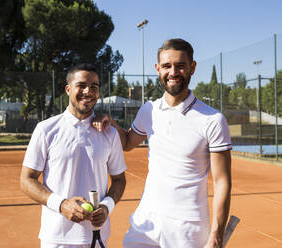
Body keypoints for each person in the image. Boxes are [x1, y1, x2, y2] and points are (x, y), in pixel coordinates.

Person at [93, 38, 232, 248]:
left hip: (188, 228)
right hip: (145, 221)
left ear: (192, 68)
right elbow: (129, 142)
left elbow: (222, 182)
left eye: (180, 66)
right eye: (167, 66)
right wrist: (111, 123)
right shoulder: (149, 110)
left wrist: (217, 233)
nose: (173, 72)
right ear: (158, 69)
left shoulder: (213, 119)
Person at [20, 63, 127, 248]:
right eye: (82, 85)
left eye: (94, 87)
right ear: (68, 89)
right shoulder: (46, 130)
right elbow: (26, 180)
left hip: (97, 235)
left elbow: (119, 179)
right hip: (56, 237)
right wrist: (61, 205)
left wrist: (107, 206)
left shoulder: (109, 133)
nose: (88, 91)